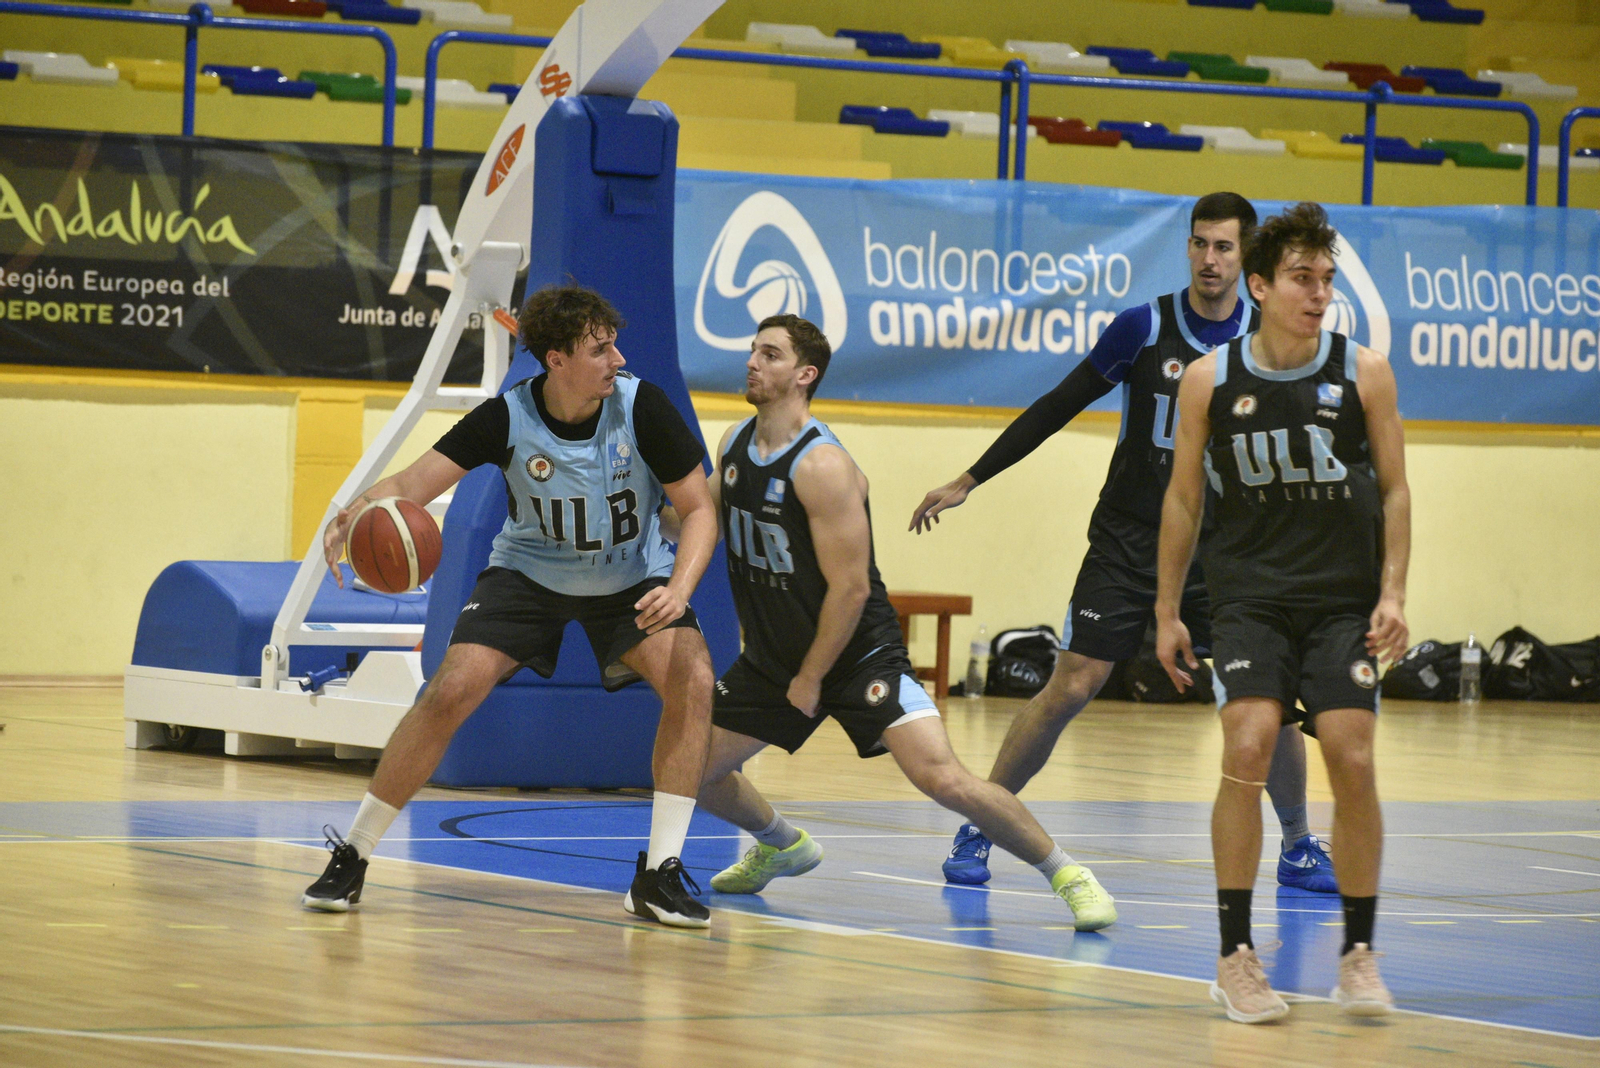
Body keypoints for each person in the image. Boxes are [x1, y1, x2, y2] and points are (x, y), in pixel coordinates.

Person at [910, 193, 1337, 894]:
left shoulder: (1266, 345)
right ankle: (981, 824)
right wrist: (970, 477)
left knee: (1269, 695)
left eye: (1224, 247)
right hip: (1130, 537)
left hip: (1223, 547)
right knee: (1074, 680)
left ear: (1248, 258)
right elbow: (1057, 404)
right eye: (1199, 244)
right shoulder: (1143, 328)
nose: (1208, 258)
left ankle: (1296, 845)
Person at [302, 284, 720, 929]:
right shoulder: (506, 417)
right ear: (556, 361)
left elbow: (698, 509)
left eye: (614, 344)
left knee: (692, 678)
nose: (617, 358)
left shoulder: (642, 407)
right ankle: (353, 853)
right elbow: (412, 484)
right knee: (448, 692)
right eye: (600, 348)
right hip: (529, 576)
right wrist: (354, 512)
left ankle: (659, 874)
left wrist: (681, 588)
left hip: (629, 578)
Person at [692, 314, 1117, 931]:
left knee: (941, 778)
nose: (753, 362)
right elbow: (696, 521)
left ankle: (1069, 874)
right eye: (753, 350)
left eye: (770, 354)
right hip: (773, 658)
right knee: (692, 767)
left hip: (857, 655)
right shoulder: (733, 444)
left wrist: (811, 680)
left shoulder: (823, 467)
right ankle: (783, 844)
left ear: (804, 375)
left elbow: (851, 588)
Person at [1155, 202, 1410, 1023]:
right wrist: (1167, 610)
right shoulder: (1209, 379)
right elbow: (1184, 502)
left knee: (1354, 756)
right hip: (1249, 601)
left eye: (1327, 279)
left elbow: (1397, 491)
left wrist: (1394, 592)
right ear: (1260, 286)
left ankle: (1359, 953)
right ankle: (1236, 956)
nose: (1319, 293)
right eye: (1303, 279)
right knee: (1249, 744)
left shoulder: (1364, 371)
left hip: (1341, 601)